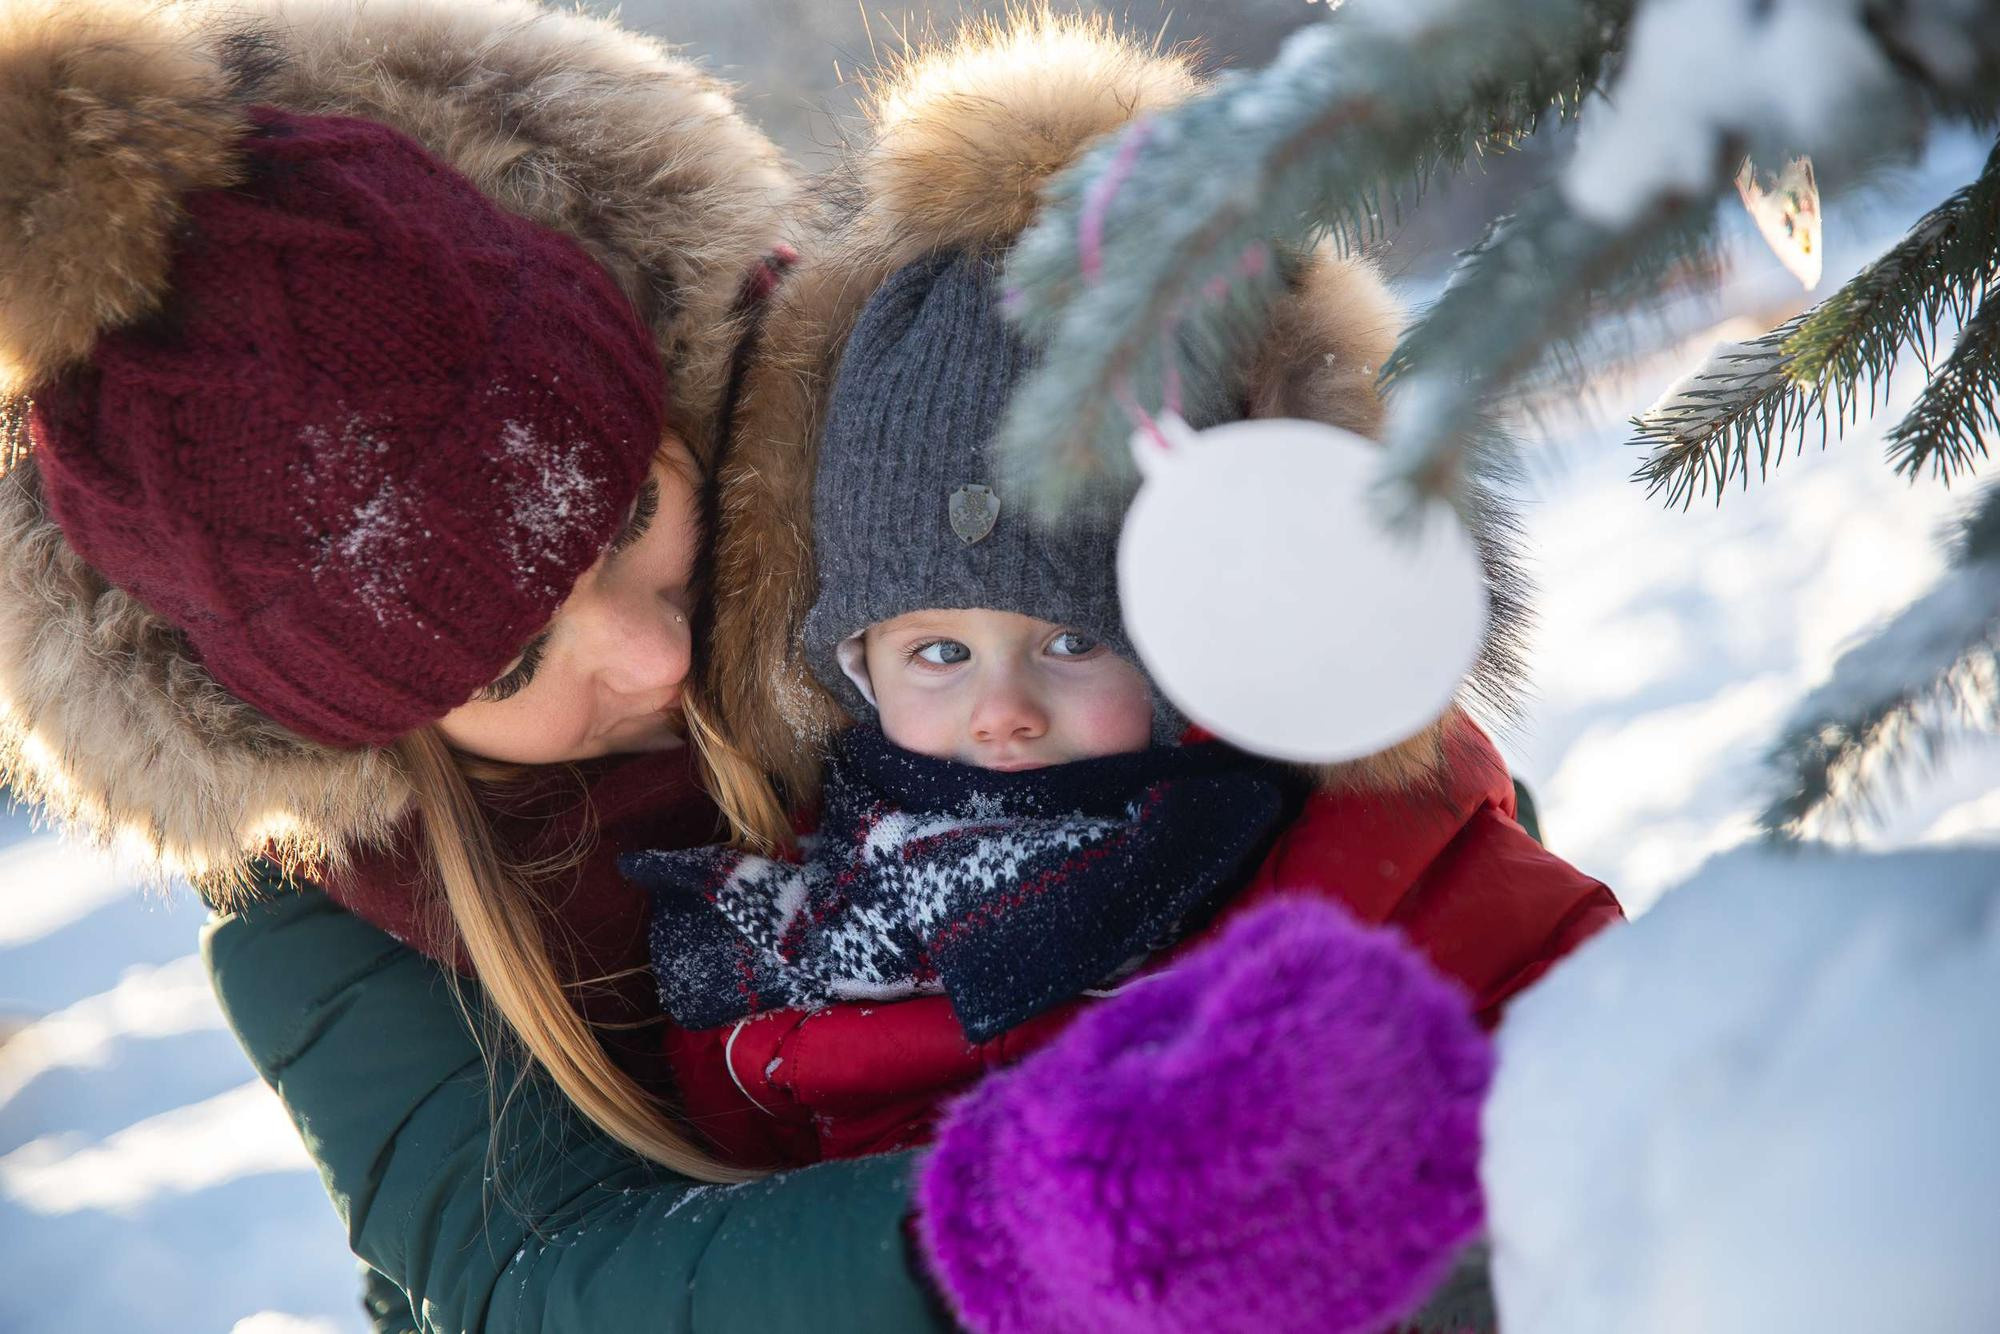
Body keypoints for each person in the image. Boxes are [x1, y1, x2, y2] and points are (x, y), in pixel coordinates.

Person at [0, 6, 1595, 1329]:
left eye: (631, 509)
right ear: (369, 731)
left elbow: (1389, 786)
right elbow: (536, 1279)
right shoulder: (330, 912)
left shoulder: (852, 453)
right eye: (514, 659)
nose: (647, 649)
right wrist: (1000, 1222)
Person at [625, 243, 1619, 1169]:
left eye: (1073, 642)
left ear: (1184, 654)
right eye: (938, 653)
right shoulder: (782, 967)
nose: (1002, 710)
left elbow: (1610, 1103)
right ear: (858, 671)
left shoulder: (1381, 872)